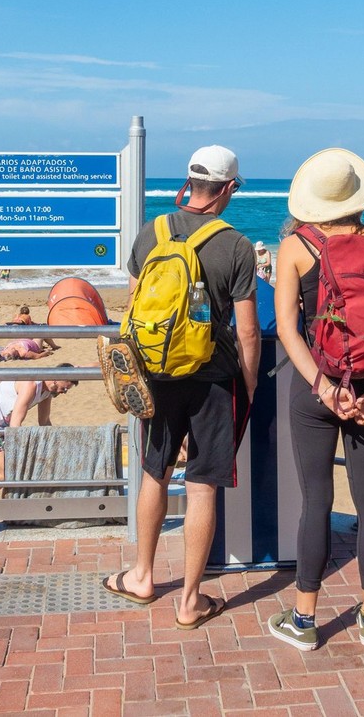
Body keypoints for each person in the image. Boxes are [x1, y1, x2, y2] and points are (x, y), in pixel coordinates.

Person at [102, 145, 259, 631]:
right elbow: (249, 332)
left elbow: (134, 307)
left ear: (189, 183)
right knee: (202, 484)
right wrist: (248, 386)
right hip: (214, 380)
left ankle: (143, 577)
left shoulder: (153, 231)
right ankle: (190, 602)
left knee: (155, 472)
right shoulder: (235, 245)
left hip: (158, 376)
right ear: (229, 188)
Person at [266, 149, 364, 651]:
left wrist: (324, 388)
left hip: (315, 388)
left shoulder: (295, 247)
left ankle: (304, 621)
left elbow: (286, 329)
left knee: (316, 499)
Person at [0, 375, 77, 496]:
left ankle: (9, 503)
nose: (64, 392)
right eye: (65, 388)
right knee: (9, 473)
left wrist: (57, 445)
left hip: (2, 426)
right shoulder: (30, 385)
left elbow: (44, 422)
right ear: (56, 379)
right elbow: (15, 425)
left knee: (16, 471)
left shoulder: (46, 392)